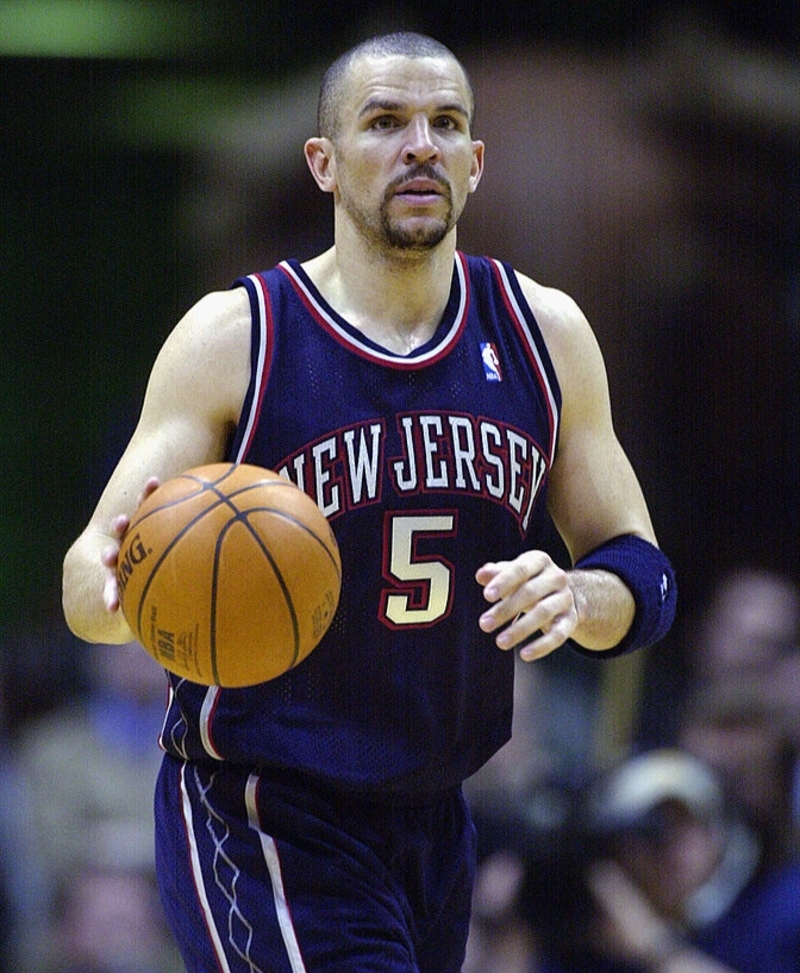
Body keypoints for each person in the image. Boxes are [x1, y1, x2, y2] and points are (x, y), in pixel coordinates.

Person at [62, 31, 675, 973]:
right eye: (385, 122)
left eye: (446, 125)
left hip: (437, 809)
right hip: (265, 805)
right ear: (323, 162)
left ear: (476, 164)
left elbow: (642, 568)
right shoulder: (238, 337)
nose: (419, 145)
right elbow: (86, 573)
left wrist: (582, 597)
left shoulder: (544, 334)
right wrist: (125, 587)